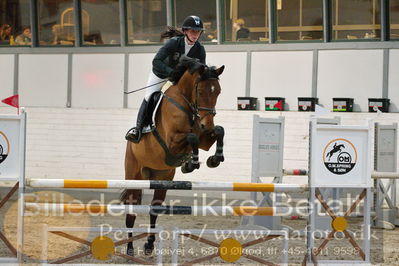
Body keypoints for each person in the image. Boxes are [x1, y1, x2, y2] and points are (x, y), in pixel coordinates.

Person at [125, 15, 206, 143]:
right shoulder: (174, 42)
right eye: (192, 31)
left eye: (198, 31)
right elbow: (156, 61)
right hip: (160, 74)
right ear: (185, 31)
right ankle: (138, 129)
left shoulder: (200, 49)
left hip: (178, 79)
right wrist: (171, 73)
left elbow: (200, 71)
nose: (195, 34)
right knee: (150, 96)